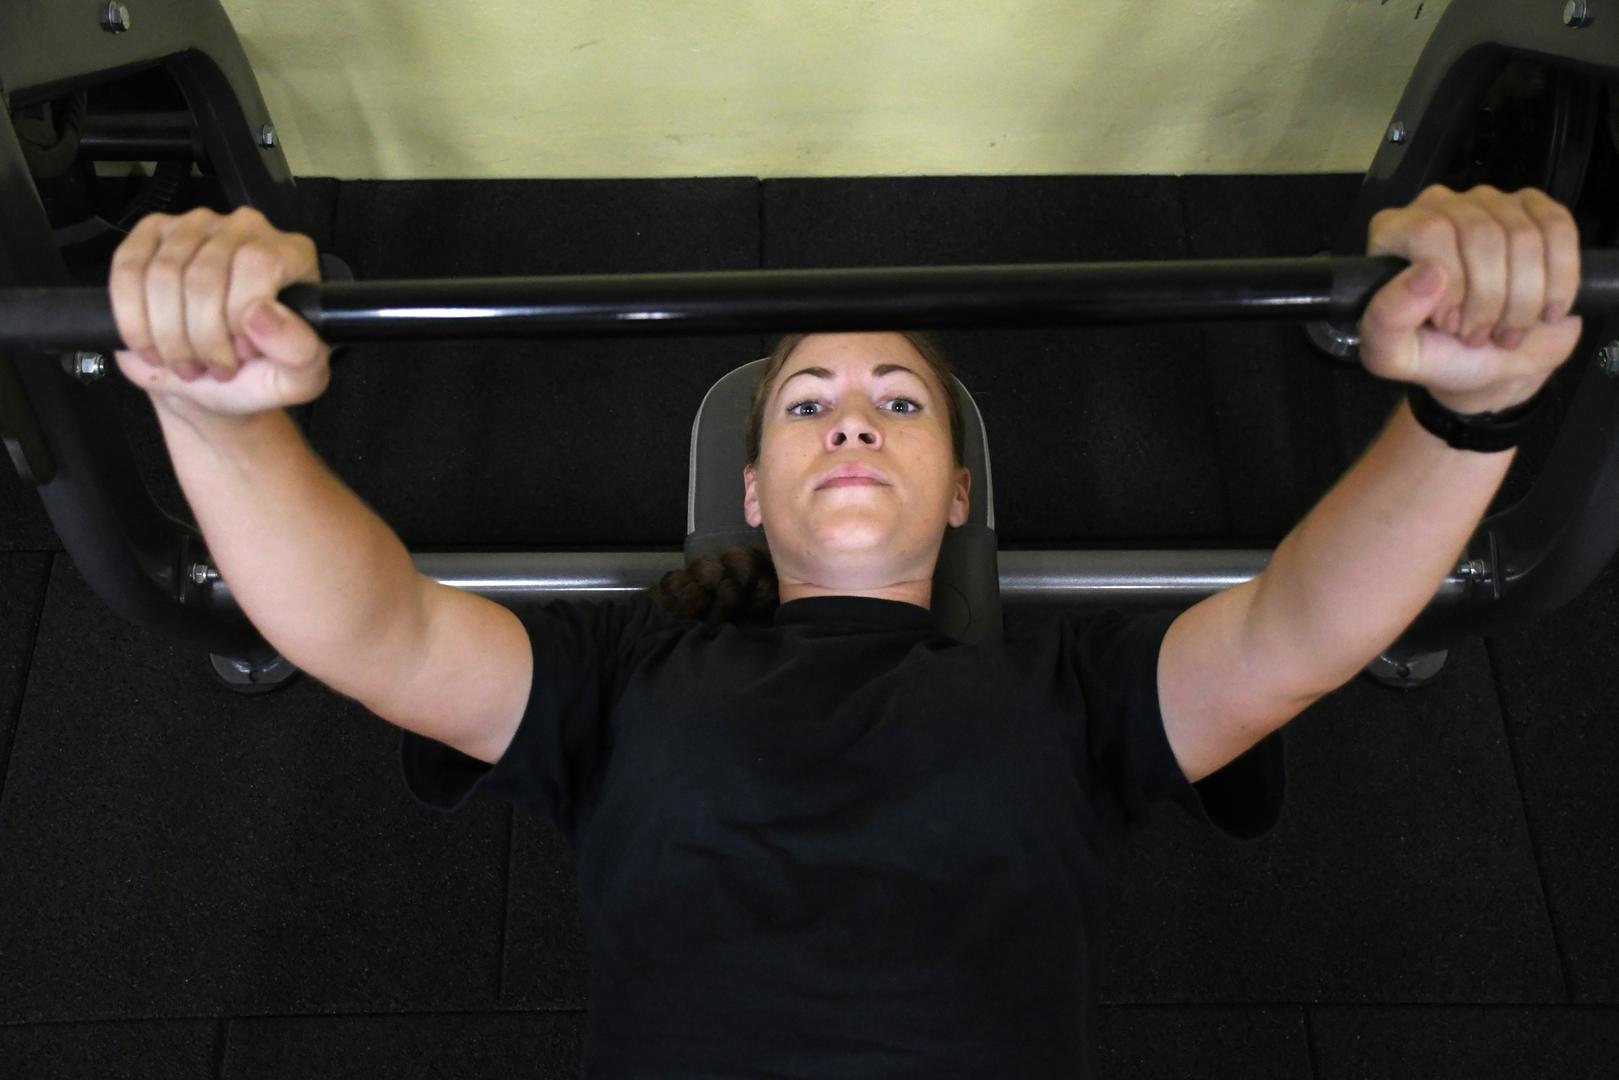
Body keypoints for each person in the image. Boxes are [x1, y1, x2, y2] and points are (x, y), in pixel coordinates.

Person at [107, 184, 1583, 1076]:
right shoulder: (622, 676)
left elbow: (1300, 631)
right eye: (809, 402)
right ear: (754, 491)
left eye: (899, 401)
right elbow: (377, 634)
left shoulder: (1075, 691)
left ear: (958, 489)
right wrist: (215, 415)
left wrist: (1472, 407)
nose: (854, 420)